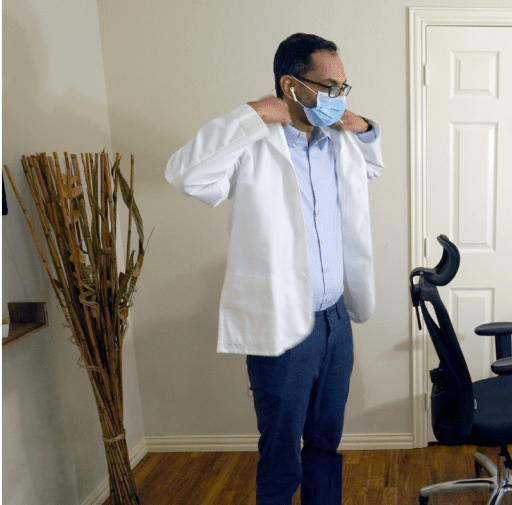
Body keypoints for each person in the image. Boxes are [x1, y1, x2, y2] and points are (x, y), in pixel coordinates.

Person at [165, 33, 384, 505]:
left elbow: (373, 160)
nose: (337, 97)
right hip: (285, 328)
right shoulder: (253, 145)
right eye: (328, 86)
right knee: (282, 452)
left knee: (326, 443)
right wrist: (253, 114)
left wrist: (358, 121)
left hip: (335, 320)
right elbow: (186, 174)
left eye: (343, 87)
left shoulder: (337, 144)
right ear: (290, 85)